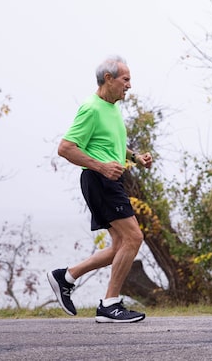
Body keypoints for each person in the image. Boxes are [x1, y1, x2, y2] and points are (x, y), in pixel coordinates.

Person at [47, 56, 153, 323]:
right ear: (109, 79)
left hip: (109, 180)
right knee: (134, 238)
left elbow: (109, 145)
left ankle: (66, 276)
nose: (129, 85)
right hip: (100, 181)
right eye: (125, 79)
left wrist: (135, 156)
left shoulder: (112, 108)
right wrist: (103, 168)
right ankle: (110, 304)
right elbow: (66, 148)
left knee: (120, 244)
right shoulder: (91, 108)